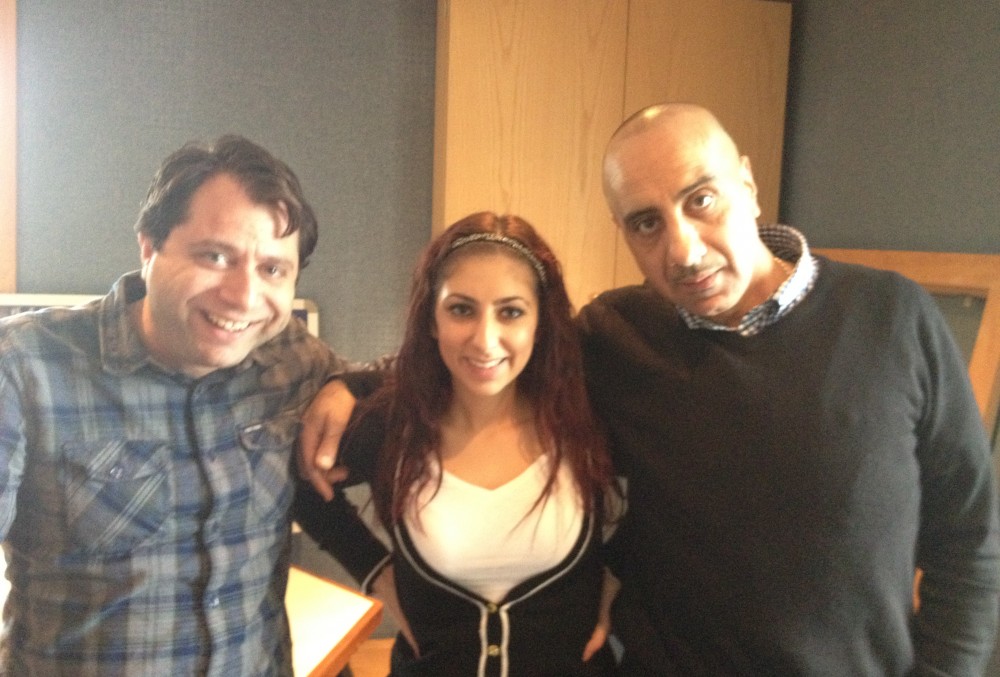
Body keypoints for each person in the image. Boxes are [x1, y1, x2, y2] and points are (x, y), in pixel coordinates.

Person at [300, 104, 1000, 675]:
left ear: (748, 182)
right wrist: (349, 383)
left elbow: (970, 539)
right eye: (646, 222)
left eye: (702, 200)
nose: (683, 247)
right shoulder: (618, 335)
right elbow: (492, 362)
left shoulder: (892, 317)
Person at [0, 135, 355, 675]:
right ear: (149, 247)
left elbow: (410, 387)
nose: (243, 296)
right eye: (215, 256)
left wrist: (350, 387)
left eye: (272, 270)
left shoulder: (295, 362)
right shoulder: (25, 367)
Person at [295, 212, 621, 675]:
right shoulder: (394, 427)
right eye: (462, 310)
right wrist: (374, 572)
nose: (485, 340)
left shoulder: (585, 418)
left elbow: (673, 489)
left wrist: (622, 571)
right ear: (431, 318)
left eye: (511, 312)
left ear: (540, 322)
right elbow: (298, 483)